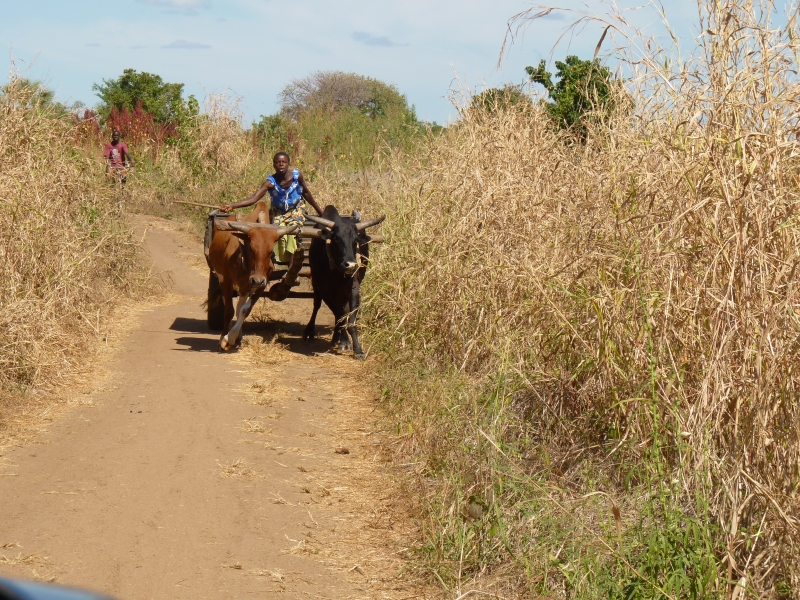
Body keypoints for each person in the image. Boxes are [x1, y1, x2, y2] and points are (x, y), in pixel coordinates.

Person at [219, 152, 323, 300]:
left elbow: (306, 192)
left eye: (284, 162)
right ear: (274, 165)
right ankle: (271, 262)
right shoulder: (270, 182)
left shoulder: (297, 176)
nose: (281, 165)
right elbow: (254, 198)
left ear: (288, 163)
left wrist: (320, 212)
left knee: (292, 230)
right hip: (278, 212)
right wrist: (233, 206)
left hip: (296, 210)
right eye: (278, 162)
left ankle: (292, 271)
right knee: (275, 232)